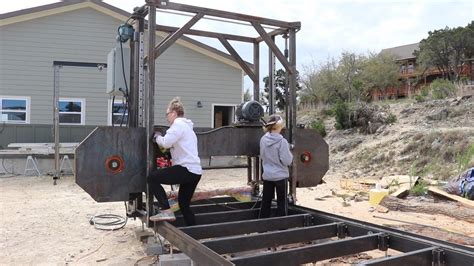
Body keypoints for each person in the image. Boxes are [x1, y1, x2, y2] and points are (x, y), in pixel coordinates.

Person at [148, 97, 202, 225]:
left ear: (173, 113)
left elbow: (165, 143)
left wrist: (157, 137)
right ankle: (193, 232)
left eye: (167, 114)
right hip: (195, 172)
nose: (167, 118)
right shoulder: (188, 128)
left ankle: (166, 211)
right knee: (184, 205)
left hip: (186, 169)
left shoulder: (177, 125)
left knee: (152, 178)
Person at [259, 114, 293, 218]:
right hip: (280, 176)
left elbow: (262, 156)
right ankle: (281, 226)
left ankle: (262, 226)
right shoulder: (282, 142)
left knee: (266, 201)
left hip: (268, 175)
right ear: (279, 126)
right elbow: (287, 160)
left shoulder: (263, 140)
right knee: (282, 202)